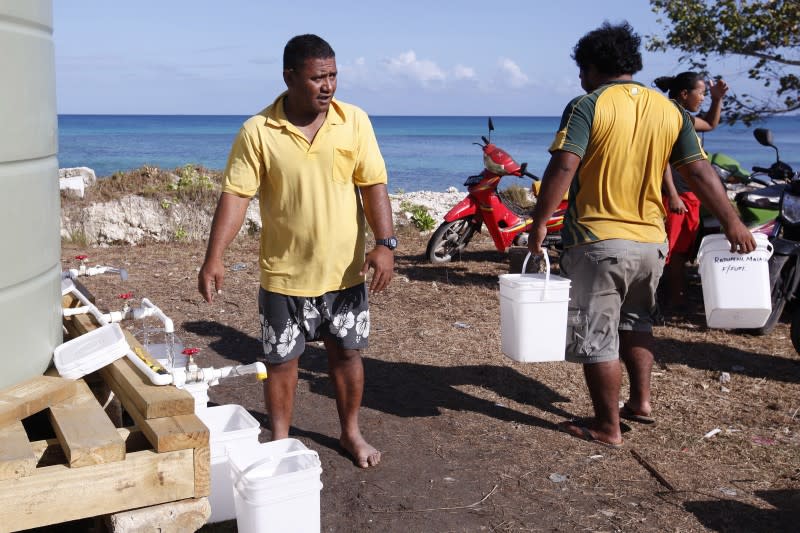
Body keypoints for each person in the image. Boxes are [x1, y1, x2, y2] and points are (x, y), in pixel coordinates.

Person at [528, 22, 755, 448]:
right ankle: (641, 403)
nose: (580, 78)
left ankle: (606, 427)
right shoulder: (670, 111)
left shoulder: (586, 105)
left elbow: (564, 165)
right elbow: (699, 171)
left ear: (594, 67)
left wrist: (541, 221)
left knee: (596, 333)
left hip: (597, 239)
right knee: (637, 321)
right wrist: (731, 221)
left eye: (582, 69)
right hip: (652, 242)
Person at [198, 34, 396, 468]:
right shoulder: (258, 131)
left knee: (346, 355)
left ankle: (350, 433)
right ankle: (281, 440)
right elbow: (236, 196)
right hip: (284, 276)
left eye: (333, 75)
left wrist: (385, 243)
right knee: (282, 361)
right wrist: (215, 256)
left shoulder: (355, 121)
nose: (328, 86)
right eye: (317, 77)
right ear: (289, 77)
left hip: (345, 275)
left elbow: (373, 185)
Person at [653, 72, 730, 313]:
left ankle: (676, 297)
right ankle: (671, 300)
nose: (703, 100)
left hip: (690, 194)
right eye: (702, 94)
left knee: (683, 250)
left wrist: (718, 99)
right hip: (677, 195)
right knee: (672, 252)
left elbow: (710, 124)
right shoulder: (668, 116)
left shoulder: (683, 116)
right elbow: (662, 159)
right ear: (684, 94)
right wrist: (673, 194)